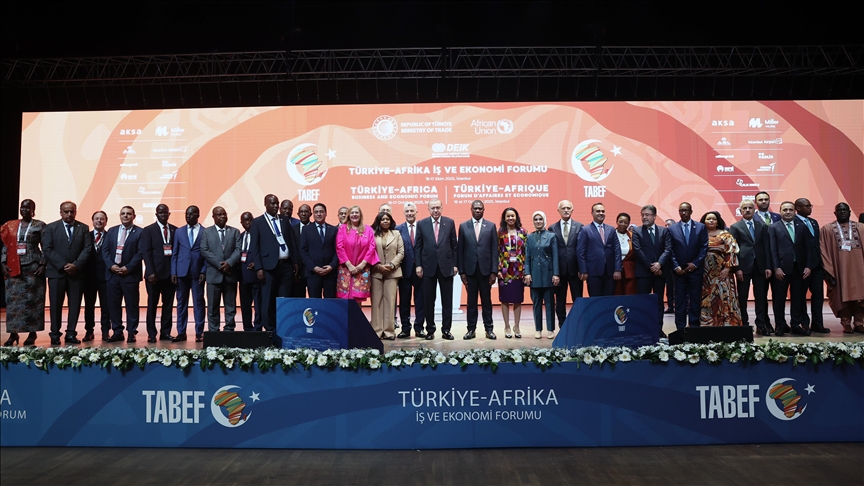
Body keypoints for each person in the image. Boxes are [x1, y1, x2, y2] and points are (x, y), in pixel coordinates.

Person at [41, 201, 92, 345]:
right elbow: (47, 249)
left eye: (72, 211)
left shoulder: (83, 228)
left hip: (76, 273)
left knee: (75, 305)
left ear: (75, 212)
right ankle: (55, 334)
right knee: (55, 305)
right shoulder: (51, 227)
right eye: (66, 211)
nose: (69, 214)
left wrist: (76, 265)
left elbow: (87, 248)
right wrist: (63, 265)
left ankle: (71, 333)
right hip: (56, 273)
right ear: (61, 212)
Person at [251, 195, 300, 333]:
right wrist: (259, 268)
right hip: (268, 267)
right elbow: (254, 247)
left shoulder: (284, 220)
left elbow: (291, 242)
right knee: (268, 300)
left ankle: (283, 327)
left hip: (286, 266)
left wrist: (295, 262)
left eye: (276, 203)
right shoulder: (258, 222)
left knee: (284, 299)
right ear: (265, 204)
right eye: (272, 203)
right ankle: (270, 329)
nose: (275, 206)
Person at [1, 199, 46, 346]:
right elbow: (6, 245)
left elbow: (46, 246)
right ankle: (13, 334)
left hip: (33, 269)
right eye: (22, 207)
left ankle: (32, 334)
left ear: (33, 210)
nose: (24, 210)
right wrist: (2, 262)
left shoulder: (39, 225)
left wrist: (43, 264)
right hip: (13, 268)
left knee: (33, 301)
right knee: (13, 303)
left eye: (28, 208)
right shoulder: (11, 225)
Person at [769, 201, 816, 336]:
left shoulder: (802, 226)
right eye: (785, 210)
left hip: (799, 268)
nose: (788, 212)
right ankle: (780, 325)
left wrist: (808, 266)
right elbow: (772, 249)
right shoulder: (774, 227)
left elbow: (808, 248)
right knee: (779, 298)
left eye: (790, 209)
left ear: (795, 211)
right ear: (780, 212)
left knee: (798, 298)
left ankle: (796, 324)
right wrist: (776, 268)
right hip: (782, 269)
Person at [414, 199, 458, 340]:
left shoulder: (449, 222)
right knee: (428, 301)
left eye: (438, 207)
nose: (435, 210)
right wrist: (418, 265)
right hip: (428, 267)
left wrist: (455, 265)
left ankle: (446, 330)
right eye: (433, 208)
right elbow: (418, 246)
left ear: (442, 208)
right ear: (428, 209)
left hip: (446, 267)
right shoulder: (422, 224)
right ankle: (430, 330)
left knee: (447, 301)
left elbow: (454, 245)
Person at [729, 199, 773, 335]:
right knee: (742, 297)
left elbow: (766, 247)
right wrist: (737, 268)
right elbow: (733, 249)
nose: (747, 210)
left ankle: (761, 325)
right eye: (745, 208)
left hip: (760, 266)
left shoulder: (762, 226)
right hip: (743, 267)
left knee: (761, 297)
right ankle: (744, 324)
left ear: (754, 210)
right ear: (740, 211)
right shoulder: (735, 227)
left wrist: (768, 266)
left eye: (750, 208)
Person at [457, 200, 499, 340]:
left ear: (483, 210)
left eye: (480, 208)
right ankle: (471, 330)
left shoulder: (491, 226)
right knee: (471, 303)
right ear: (471, 209)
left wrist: (494, 271)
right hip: (470, 271)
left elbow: (494, 250)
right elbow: (460, 250)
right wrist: (462, 272)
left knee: (487, 301)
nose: (477, 210)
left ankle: (489, 329)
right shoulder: (463, 226)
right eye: (475, 208)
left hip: (486, 271)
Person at [101, 206, 143, 343]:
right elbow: (105, 251)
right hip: (113, 275)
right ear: (119, 216)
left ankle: (131, 332)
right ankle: (117, 331)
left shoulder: (140, 232)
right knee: (113, 305)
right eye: (123, 213)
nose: (125, 216)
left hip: (130, 275)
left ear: (134, 216)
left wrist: (128, 268)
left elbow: (140, 253)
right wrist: (111, 266)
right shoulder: (111, 231)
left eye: (128, 214)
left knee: (132, 305)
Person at [820, 202, 864, 333]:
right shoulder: (827, 229)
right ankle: (846, 323)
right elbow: (823, 251)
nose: (843, 212)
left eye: (845, 210)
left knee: (861, 297)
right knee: (841, 296)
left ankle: (859, 322)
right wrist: (828, 271)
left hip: (859, 270)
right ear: (835, 213)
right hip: (839, 270)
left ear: (850, 212)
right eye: (840, 210)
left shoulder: (861, 228)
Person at [632, 205, 672, 336]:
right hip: (644, 272)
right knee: (643, 302)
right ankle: (643, 330)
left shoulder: (663, 231)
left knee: (659, 303)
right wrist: (652, 267)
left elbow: (667, 249)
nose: (644, 217)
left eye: (647, 215)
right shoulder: (637, 231)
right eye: (642, 214)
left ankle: (658, 330)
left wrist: (659, 264)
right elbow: (638, 250)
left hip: (660, 272)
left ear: (654, 216)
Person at [139, 204, 176, 342]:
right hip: (153, 275)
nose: (163, 215)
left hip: (170, 275)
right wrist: (150, 272)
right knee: (152, 305)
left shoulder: (175, 230)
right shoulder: (148, 230)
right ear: (156, 214)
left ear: (169, 214)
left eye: (165, 212)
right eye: (160, 213)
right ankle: (151, 333)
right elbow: (146, 252)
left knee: (168, 305)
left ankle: (165, 332)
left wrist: (175, 272)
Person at [201, 206, 241, 333]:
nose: (222, 216)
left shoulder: (234, 231)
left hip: (230, 275)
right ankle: (214, 332)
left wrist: (229, 263)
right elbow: (204, 250)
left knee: (230, 306)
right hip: (214, 275)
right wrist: (221, 265)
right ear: (213, 217)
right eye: (219, 214)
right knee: (213, 306)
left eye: (224, 214)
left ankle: (229, 330)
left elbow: (238, 250)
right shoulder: (206, 232)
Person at [699, 211, 742, 326]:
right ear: (704, 221)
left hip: (722, 273)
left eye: (714, 219)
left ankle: (726, 324)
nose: (711, 221)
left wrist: (727, 269)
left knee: (723, 298)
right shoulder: (699, 234)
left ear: (718, 221)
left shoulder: (725, 235)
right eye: (708, 219)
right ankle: (707, 325)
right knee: (706, 299)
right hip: (705, 275)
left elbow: (732, 252)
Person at [669, 202, 708, 329]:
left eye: (686, 210)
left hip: (695, 270)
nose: (684, 213)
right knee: (679, 300)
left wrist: (695, 264)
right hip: (679, 271)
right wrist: (676, 266)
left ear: (691, 211)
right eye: (681, 210)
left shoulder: (701, 227)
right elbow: (670, 249)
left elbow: (704, 247)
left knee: (695, 299)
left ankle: (694, 326)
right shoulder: (672, 229)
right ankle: (680, 328)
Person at [171, 205, 207, 343]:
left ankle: (199, 332)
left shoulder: (205, 231)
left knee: (198, 303)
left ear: (197, 215)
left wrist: (204, 270)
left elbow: (207, 254)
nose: (188, 216)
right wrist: (173, 271)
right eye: (186, 214)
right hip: (181, 272)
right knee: (181, 303)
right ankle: (181, 332)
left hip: (197, 272)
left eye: (191, 214)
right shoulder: (179, 231)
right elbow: (175, 253)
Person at [548, 200, 583, 330]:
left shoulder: (580, 226)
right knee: (560, 300)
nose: (566, 210)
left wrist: (582, 269)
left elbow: (582, 250)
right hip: (559, 271)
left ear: (572, 210)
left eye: (568, 208)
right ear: (558, 211)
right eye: (563, 208)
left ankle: (578, 324)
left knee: (577, 299)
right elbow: (551, 252)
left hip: (575, 270)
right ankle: (562, 325)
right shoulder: (552, 228)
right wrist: (554, 272)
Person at [524, 211, 559, 339]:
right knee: (536, 303)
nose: (538, 221)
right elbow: (527, 257)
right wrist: (527, 273)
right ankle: (538, 329)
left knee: (550, 303)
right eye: (536, 219)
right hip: (534, 276)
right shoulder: (530, 237)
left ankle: (550, 329)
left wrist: (556, 274)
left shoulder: (551, 236)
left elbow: (555, 256)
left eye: (540, 219)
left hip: (548, 275)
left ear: (544, 220)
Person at [795, 198, 829, 333]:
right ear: (798, 208)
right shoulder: (794, 222)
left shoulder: (813, 222)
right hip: (802, 266)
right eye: (807, 206)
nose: (810, 208)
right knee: (801, 296)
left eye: (810, 205)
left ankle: (818, 324)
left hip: (817, 266)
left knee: (818, 296)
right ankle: (804, 323)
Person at [370, 211, 404, 340]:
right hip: (376, 271)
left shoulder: (396, 234)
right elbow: (370, 251)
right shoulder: (372, 234)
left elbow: (401, 252)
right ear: (378, 221)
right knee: (376, 302)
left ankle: (389, 331)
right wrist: (378, 265)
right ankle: (377, 331)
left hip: (392, 272)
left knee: (390, 302)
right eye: (383, 219)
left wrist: (392, 265)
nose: (385, 221)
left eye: (387, 219)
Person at [336, 206, 379, 305]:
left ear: (360, 215)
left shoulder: (368, 229)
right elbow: (339, 247)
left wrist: (362, 265)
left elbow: (372, 247)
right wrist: (349, 265)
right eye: (352, 213)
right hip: (346, 268)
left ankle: (357, 316)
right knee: (344, 301)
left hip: (362, 269)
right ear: (349, 215)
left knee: (358, 300)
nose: (354, 215)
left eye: (356, 212)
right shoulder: (342, 229)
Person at [576, 203, 621, 296]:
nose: (601, 213)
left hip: (610, 272)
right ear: (592, 213)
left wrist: (617, 269)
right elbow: (580, 252)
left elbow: (617, 250)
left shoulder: (611, 229)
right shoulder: (585, 230)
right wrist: (583, 270)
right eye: (598, 211)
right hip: (593, 272)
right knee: (595, 300)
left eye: (603, 211)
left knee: (609, 300)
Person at [395, 202, 426, 338]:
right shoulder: (397, 229)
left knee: (420, 300)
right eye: (407, 211)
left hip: (421, 270)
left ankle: (419, 328)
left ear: (416, 212)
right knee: (404, 301)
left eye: (412, 211)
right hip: (404, 271)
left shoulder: (423, 227)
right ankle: (405, 328)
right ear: (404, 213)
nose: (409, 213)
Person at [497, 207, 527, 339]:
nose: (510, 218)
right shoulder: (500, 233)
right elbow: (496, 252)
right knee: (504, 299)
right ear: (504, 218)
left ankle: (517, 326)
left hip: (519, 270)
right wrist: (498, 269)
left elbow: (526, 252)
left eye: (512, 216)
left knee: (517, 299)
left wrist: (526, 270)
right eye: (508, 216)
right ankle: (507, 326)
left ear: (516, 217)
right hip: (504, 270)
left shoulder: (523, 232)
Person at [300, 203, 339, 298]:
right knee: (315, 303)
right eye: (316, 212)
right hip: (313, 273)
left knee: (330, 303)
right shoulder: (306, 229)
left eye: (321, 211)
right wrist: (313, 267)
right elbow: (303, 250)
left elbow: (337, 250)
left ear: (326, 213)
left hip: (330, 273)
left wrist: (332, 266)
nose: (319, 214)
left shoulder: (333, 230)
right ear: (313, 214)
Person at [83, 211, 110, 341]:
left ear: (106, 221)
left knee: (106, 306)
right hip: (88, 277)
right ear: (92, 221)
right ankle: (89, 331)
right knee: (89, 306)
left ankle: (105, 331)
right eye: (97, 219)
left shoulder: (110, 236)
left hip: (106, 277)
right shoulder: (85, 236)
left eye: (102, 219)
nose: (99, 221)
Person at [237, 212, 261, 331]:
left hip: (257, 276)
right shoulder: (240, 236)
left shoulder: (260, 235)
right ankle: (247, 328)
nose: (248, 223)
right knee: (245, 304)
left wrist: (257, 263)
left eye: (250, 220)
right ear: (241, 223)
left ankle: (257, 328)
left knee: (258, 304)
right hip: (243, 276)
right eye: (245, 221)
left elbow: (265, 252)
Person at [290, 204, 313, 298]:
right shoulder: (292, 229)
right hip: (298, 269)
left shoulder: (315, 228)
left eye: (306, 211)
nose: (304, 214)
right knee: (298, 297)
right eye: (301, 212)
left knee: (314, 297)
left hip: (312, 268)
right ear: (298, 214)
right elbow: (292, 248)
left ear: (310, 214)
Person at [613, 213, 638, 295]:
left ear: (629, 223)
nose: (623, 224)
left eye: (626, 222)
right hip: (614, 270)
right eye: (620, 222)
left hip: (629, 270)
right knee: (616, 293)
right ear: (616, 222)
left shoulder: (632, 235)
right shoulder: (611, 234)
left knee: (630, 293)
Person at [663, 218, 676, 313]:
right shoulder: (663, 236)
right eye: (666, 225)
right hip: (667, 266)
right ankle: (670, 306)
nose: (667, 227)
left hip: (677, 265)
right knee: (669, 287)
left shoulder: (677, 236)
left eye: (669, 225)